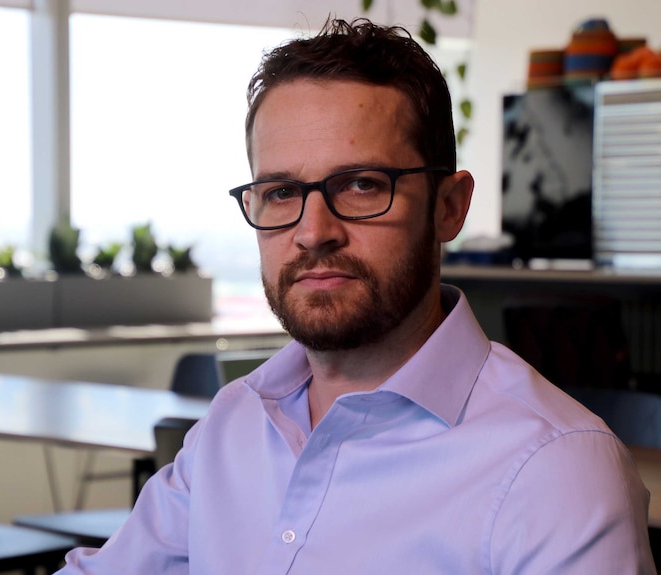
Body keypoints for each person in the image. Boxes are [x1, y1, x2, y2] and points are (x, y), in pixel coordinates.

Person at [56, 18, 655, 574]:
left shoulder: (555, 471)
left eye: (363, 184)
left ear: (449, 207)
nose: (313, 232)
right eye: (281, 191)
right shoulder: (233, 422)